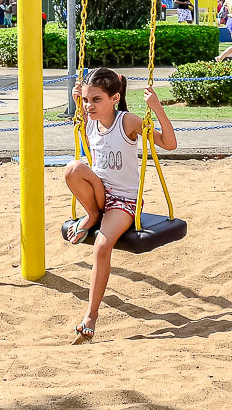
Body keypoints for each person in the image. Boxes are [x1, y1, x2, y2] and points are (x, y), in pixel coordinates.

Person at [62, 68, 178, 343]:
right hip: (100, 195)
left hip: (124, 202)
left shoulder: (128, 122)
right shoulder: (87, 120)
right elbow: (83, 113)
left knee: (102, 246)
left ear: (115, 98)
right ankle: (92, 216)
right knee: (72, 168)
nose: (90, 106)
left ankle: (90, 316)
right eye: (87, 99)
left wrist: (157, 107)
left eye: (97, 100)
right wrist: (80, 99)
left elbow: (170, 144)